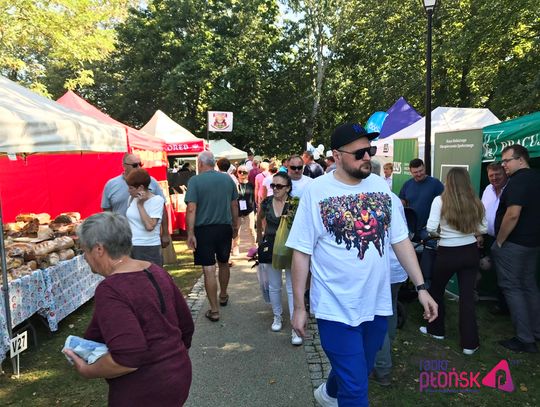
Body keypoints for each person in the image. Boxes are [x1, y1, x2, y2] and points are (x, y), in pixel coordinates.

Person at [287, 123, 437, 407]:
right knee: (356, 390)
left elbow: (400, 240)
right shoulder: (316, 192)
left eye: (370, 150)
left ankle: (329, 393)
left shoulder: (380, 187)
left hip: (376, 304)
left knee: (360, 370)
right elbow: (301, 253)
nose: (367, 157)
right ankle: (339, 394)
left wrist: (421, 287)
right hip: (335, 307)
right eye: (359, 153)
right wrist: (298, 307)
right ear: (337, 156)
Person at [64, 212, 194, 406]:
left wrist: (87, 370)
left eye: (85, 250)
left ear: (99, 249)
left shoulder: (111, 289)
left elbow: (128, 358)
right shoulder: (155, 270)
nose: (85, 257)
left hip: (145, 389)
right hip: (177, 374)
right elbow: (186, 327)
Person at [421, 167, 487, 355]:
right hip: (470, 251)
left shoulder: (439, 200)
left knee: (436, 291)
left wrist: (444, 235)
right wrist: (467, 231)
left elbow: (431, 228)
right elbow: (484, 228)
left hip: (447, 252)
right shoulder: (475, 201)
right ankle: (469, 344)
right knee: (467, 297)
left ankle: (436, 330)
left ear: (448, 181)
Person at [492, 144, 540, 353]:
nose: (504, 165)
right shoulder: (536, 178)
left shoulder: (518, 181)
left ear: (521, 160)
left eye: (507, 161)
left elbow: (513, 214)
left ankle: (525, 339)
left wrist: (500, 241)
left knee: (512, 288)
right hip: (532, 243)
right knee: (529, 286)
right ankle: (536, 331)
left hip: (514, 244)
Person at [185, 151, 239, 322]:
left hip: (203, 230)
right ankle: (223, 294)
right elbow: (234, 204)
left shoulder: (195, 181)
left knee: (208, 269)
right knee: (223, 262)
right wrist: (235, 226)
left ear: (201, 163)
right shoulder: (227, 180)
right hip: (224, 228)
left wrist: (190, 233)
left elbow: (191, 208)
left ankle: (214, 310)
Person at [369, 161, 407, 387]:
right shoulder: (392, 197)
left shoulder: (373, 199)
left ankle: (382, 366)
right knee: (389, 310)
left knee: (377, 316)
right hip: (397, 266)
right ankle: (386, 351)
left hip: (384, 267)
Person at [256, 172, 302, 346]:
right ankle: (277, 316)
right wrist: (259, 239)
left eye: (279, 186)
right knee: (274, 285)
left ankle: (295, 326)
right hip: (271, 246)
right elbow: (259, 219)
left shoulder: (294, 204)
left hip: (290, 246)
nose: (275, 189)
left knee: (292, 287)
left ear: (288, 188)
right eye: (273, 185)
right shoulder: (267, 202)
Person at [101, 153, 171, 249]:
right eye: (134, 165)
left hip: (146, 240)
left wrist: (165, 233)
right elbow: (106, 212)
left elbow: (162, 209)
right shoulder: (111, 185)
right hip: (120, 237)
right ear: (124, 166)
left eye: (140, 164)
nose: (138, 167)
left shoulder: (151, 181)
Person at [480, 161, 508, 314]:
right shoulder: (487, 190)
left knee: (505, 272)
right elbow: (482, 212)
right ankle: (498, 300)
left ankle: (504, 305)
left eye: (498, 174)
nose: (494, 178)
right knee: (491, 268)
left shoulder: (510, 189)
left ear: (505, 174)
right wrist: (480, 233)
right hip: (489, 236)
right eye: (491, 175)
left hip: (506, 238)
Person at [125, 168, 166, 266]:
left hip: (149, 247)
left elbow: (150, 226)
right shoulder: (131, 199)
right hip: (132, 246)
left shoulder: (157, 200)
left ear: (140, 188)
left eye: (131, 188)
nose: (128, 191)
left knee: (151, 275)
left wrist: (140, 205)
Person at [399, 158, 444, 238]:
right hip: (410, 230)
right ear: (411, 172)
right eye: (415, 172)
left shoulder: (435, 183)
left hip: (428, 230)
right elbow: (401, 202)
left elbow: (445, 202)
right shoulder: (407, 184)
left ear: (424, 168)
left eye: (421, 171)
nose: (419, 174)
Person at [232, 165, 256, 256]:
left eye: (244, 172)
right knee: (236, 229)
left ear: (247, 174)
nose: (242, 174)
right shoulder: (235, 185)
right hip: (237, 210)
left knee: (251, 229)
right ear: (237, 173)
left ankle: (254, 247)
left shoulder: (251, 185)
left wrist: (255, 209)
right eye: (240, 172)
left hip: (249, 209)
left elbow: (254, 198)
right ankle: (235, 247)